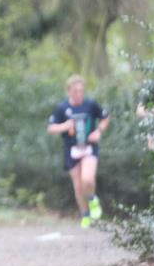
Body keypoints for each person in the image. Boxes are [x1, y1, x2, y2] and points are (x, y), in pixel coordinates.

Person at [46, 75, 109, 229]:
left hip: (89, 147)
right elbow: (51, 128)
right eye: (75, 91)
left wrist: (99, 131)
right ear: (68, 91)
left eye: (81, 91)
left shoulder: (90, 104)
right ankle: (85, 215)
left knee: (87, 178)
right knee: (78, 185)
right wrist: (65, 126)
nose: (78, 94)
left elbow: (105, 117)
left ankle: (93, 200)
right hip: (71, 149)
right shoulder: (62, 108)